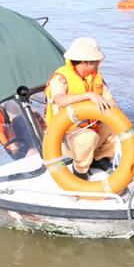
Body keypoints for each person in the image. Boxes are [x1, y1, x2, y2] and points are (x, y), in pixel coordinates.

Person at [44, 37, 118, 180]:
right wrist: (88, 96)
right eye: (96, 61)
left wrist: (110, 104)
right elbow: (60, 100)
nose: (99, 63)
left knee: (115, 126)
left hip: (93, 125)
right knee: (88, 137)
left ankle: (99, 158)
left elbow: (111, 101)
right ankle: (80, 171)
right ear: (86, 62)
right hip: (66, 134)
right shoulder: (60, 78)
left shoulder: (96, 77)